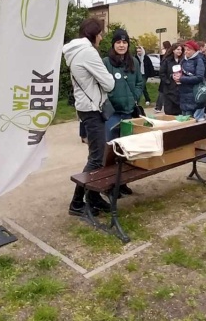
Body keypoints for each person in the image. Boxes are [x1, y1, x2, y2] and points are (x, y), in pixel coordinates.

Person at [62, 18, 116, 217]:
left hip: (87, 107)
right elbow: (109, 84)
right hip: (93, 109)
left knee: (98, 155)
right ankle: (76, 203)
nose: (102, 37)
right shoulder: (88, 52)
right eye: (100, 33)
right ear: (93, 34)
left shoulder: (75, 51)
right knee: (96, 158)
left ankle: (93, 198)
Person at [103, 29, 145, 143]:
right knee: (111, 145)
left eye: (124, 42)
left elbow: (139, 83)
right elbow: (101, 85)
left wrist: (134, 97)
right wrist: (110, 99)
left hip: (130, 112)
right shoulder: (106, 62)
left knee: (128, 145)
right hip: (112, 113)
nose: (121, 45)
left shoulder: (134, 62)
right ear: (113, 44)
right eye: (118, 42)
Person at [179, 40, 206, 120]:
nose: (186, 52)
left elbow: (199, 77)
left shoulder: (199, 60)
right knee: (184, 119)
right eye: (185, 50)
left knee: (193, 120)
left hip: (195, 94)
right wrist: (174, 76)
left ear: (194, 51)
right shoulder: (183, 60)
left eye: (188, 50)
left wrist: (182, 79)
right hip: (184, 94)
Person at [159, 42, 184, 116]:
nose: (180, 51)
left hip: (180, 89)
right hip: (169, 89)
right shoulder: (167, 61)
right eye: (178, 49)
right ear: (173, 50)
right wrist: (168, 81)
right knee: (170, 111)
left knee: (179, 112)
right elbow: (162, 73)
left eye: (181, 49)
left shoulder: (183, 61)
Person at [155, 40, 172, 112]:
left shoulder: (166, 53)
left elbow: (162, 63)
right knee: (163, 91)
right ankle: (160, 106)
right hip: (166, 75)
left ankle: (158, 106)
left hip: (165, 75)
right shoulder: (168, 52)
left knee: (162, 92)